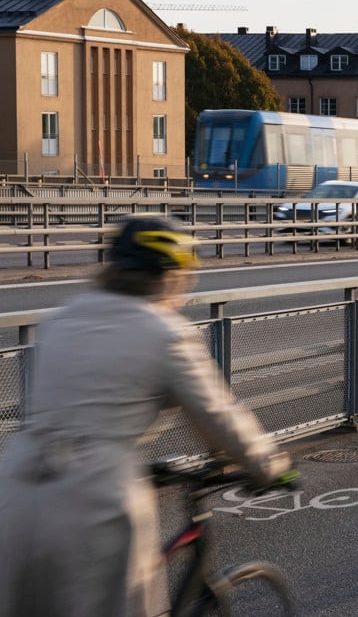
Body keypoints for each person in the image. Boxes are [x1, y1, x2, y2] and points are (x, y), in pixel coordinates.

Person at [0, 215, 293, 617]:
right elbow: (217, 415)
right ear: (168, 277)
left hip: (19, 482)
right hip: (95, 498)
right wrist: (271, 465)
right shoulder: (165, 331)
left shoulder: (63, 317)